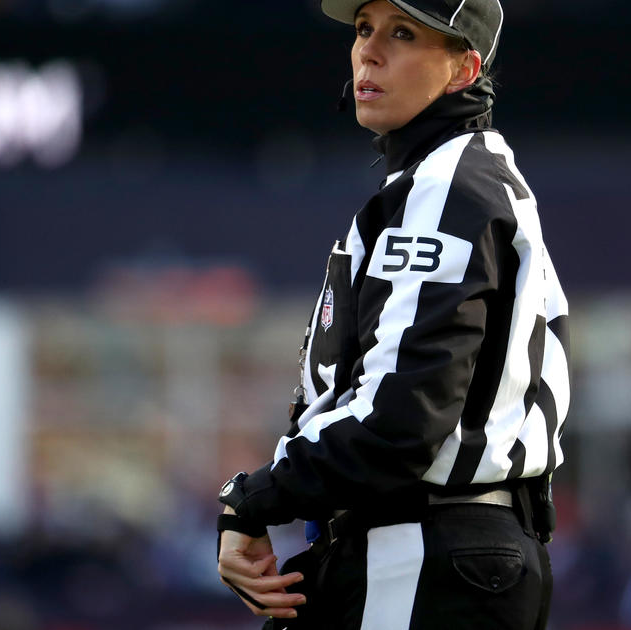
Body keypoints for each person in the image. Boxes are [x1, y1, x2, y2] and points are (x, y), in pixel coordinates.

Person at [216, 1, 571, 628]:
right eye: (362, 30)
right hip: (452, 552)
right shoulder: (461, 178)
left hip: (427, 549)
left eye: (403, 34)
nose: (368, 52)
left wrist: (252, 501)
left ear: (464, 68)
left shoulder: (446, 187)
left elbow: (401, 418)